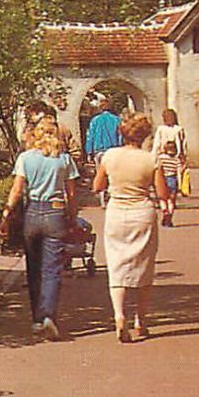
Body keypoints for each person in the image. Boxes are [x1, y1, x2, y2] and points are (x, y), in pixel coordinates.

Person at [93, 112, 170, 341]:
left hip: (117, 211)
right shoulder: (150, 159)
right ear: (145, 134)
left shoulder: (110, 156)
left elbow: (98, 186)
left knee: (117, 265)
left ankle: (119, 316)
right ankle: (141, 320)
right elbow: (163, 192)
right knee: (144, 266)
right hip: (142, 212)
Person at [0, 117, 78, 341]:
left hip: (32, 213)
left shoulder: (25, 158)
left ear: (35, 135)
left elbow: (16, 190)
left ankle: (36, 319)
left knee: (34, 268)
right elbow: (71, 194)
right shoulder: (64, 159)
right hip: (55, 213)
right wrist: (72, 218)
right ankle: (49, 316)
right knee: (52, 269)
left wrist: (6, 214)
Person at [84, 100, 123, 203]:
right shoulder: (116, 120)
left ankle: (102, 198)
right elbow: (120, 136)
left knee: (99, 173)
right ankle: (111, 196)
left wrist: (89, 151)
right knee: (112, 174)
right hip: (113, 149)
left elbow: (90, 136)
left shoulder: (95, 120)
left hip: (99, 150)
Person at [157, 141, 182, 226]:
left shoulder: (161, 158)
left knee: (162, 199)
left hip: (162, 179)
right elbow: (179, 173)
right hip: (172, 180)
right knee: (171, 201)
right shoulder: (176, 160)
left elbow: (157, 168)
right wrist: (180, 184)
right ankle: (169, 217)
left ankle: (165, 211)